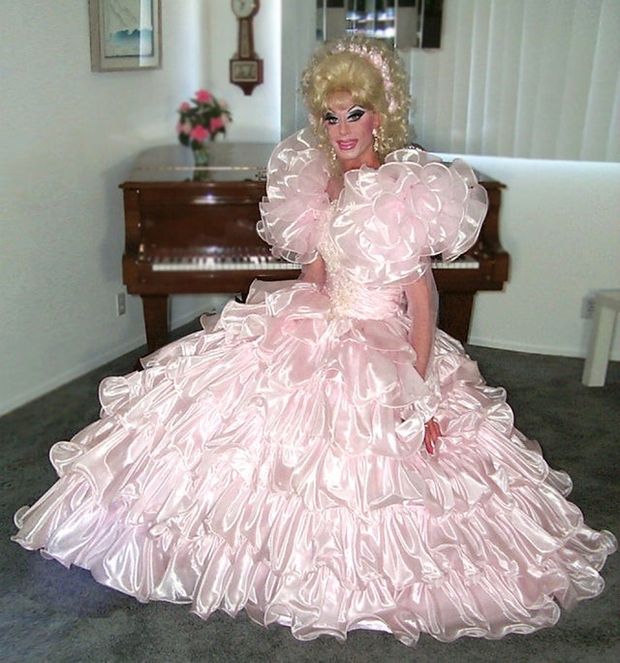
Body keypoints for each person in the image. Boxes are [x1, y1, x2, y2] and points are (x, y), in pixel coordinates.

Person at [12, 36, 616, 646]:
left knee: (378, 475)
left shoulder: (398, 192)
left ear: (380, 116)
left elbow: (423, 302)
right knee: (232, 415)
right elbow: (315, 278)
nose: (342, 129)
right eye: (331, 117)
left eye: (355, 113)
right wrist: (270, 326)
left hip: (383, 343)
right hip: (324, 322)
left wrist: (422, 393)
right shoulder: (325, 187)